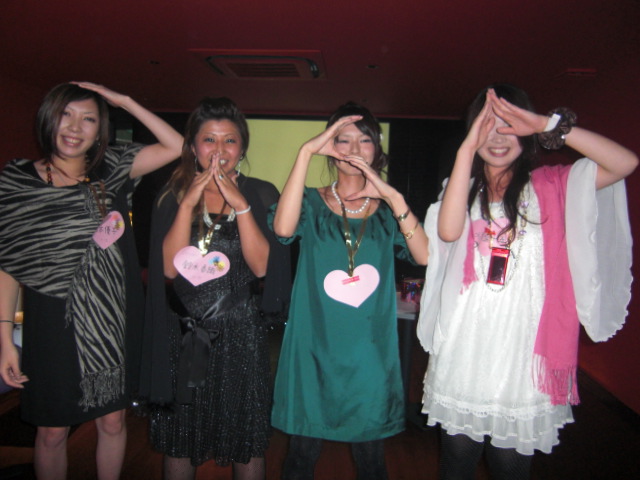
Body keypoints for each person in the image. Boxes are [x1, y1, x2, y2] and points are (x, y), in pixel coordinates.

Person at [417, 84, 638, 479]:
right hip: (466, 345)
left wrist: (545, 124)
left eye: (510, 125)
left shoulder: (554, 184)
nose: (499, 137)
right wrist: (466, 151)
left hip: (523, 349)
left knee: (509, 464)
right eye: (488, 126)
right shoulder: (462, 189)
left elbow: (624, 162)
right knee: (457, 459)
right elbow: (448, 233)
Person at [0, 82, 183, 480]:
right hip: (51, 321)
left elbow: (177, 146)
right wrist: (5, 340)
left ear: (100, 130)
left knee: (112, 421)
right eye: (66, 115)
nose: (74, 127)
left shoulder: (111, 169)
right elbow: (9, 265)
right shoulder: (16, 181)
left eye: (88, 119)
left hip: (112, 317)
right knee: (51, 431)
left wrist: (124, 101)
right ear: (48, 118)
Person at [270, 102, 429, 479]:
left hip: (369, 353)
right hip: (313, 347)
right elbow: (283, 229)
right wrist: (306, 152)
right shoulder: (310, 202)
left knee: (371, 459)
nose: (354, 148)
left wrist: (394, 198)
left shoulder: (389, 211)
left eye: (365, 140)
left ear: (377, 149)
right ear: (330, 147)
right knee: (301, 455)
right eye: (343, 140)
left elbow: (424, 256)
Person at [140, 97, 290, 480]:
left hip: (241, 334)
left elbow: (262, 267)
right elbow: (167, 268)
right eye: (209, 139)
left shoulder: (262, 193)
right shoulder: (171, 194)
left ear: (242, 149)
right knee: (180, 437)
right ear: (193, 147)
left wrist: (241, 206)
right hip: (183, 335)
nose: (219, 150)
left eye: (230, 140)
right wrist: (188, 201)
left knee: (246, 440)